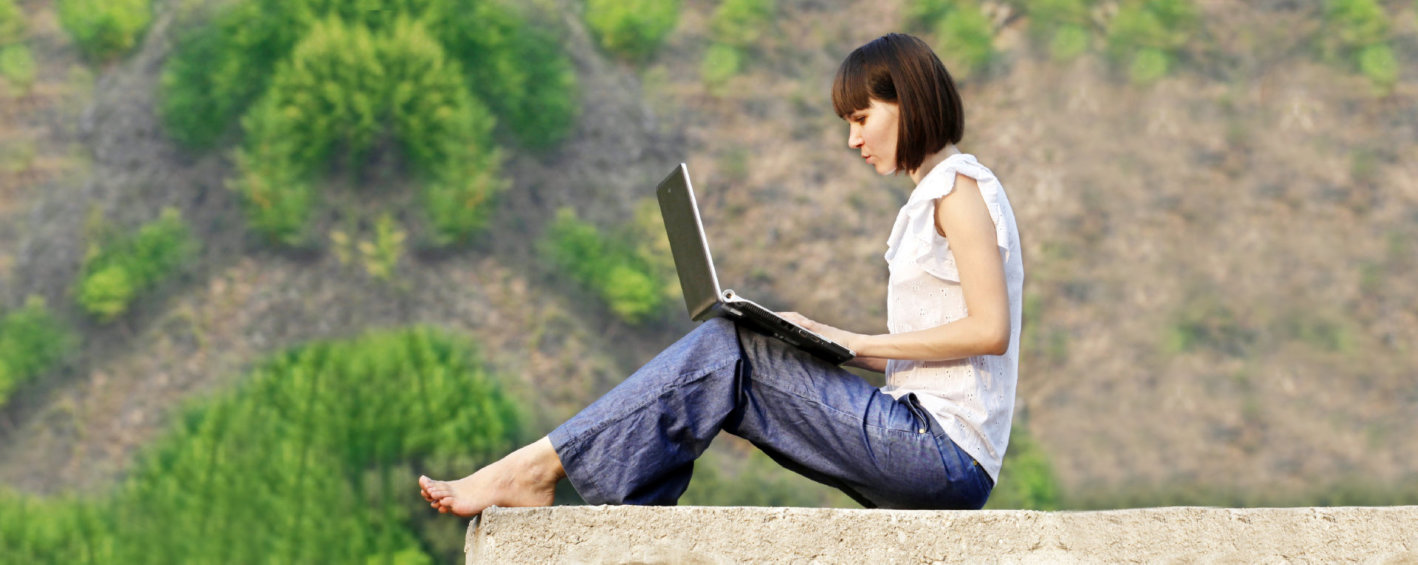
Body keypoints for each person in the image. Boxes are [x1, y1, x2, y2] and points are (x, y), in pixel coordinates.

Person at [419, 32, 1023, 515]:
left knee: (727, 350)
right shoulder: (933, 197)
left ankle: (534, 470)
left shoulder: (959, 189)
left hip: (943, 455)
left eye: (861, 117)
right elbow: (933, 347)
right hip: (924, 445)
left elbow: (989, 329)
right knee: (735, 355)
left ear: (908, 103)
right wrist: (816, 337)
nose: (852, 139)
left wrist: (857, 343)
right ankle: (630, 512)